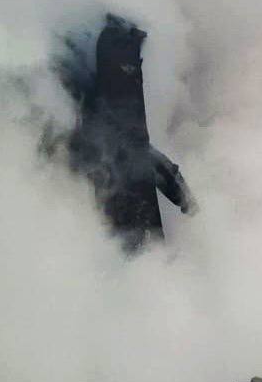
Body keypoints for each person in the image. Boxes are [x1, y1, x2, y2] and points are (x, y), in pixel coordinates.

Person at [65, 14, 195, 252]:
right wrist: (184, 197)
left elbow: (142, 153)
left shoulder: (94, 91)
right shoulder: (112, 98)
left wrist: (182, 195)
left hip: (109, 222)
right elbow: (141, 153)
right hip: (121, 221)